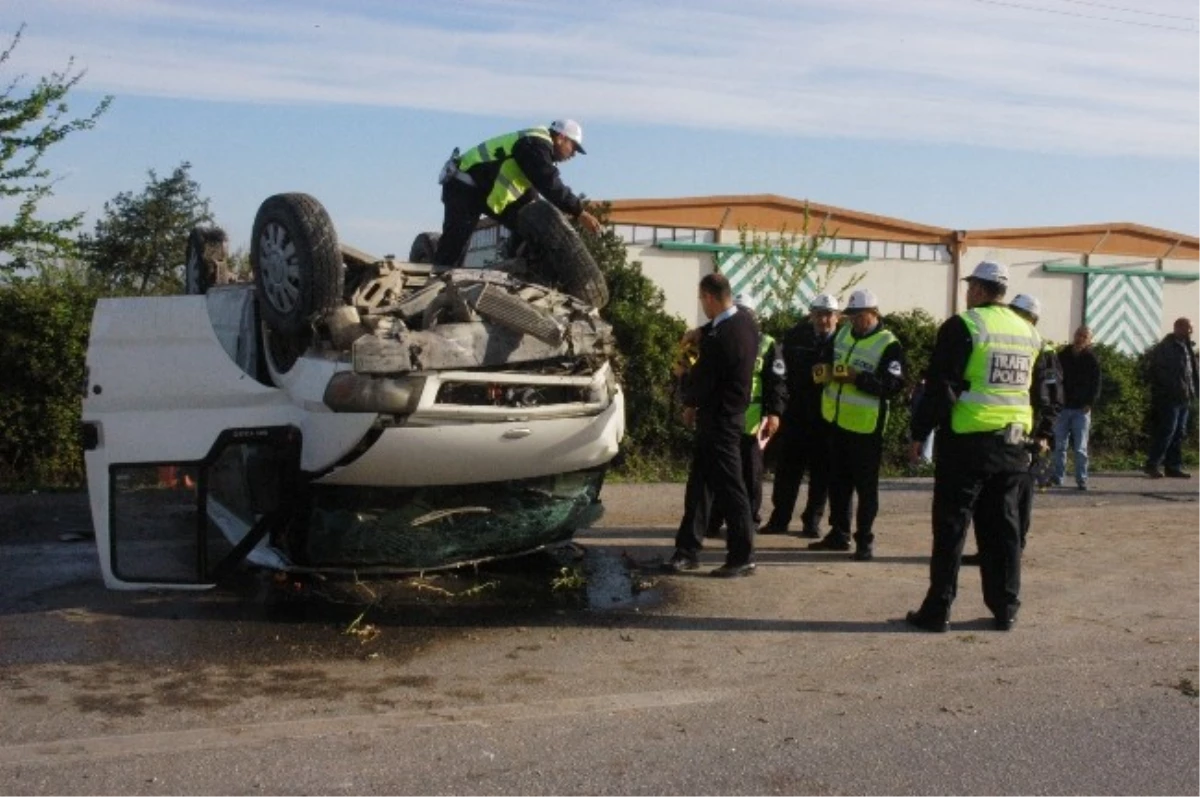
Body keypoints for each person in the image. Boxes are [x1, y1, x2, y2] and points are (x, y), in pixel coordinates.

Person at [905, 262, 1058, 632]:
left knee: (951, 527)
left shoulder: (966, 325)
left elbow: (942, 387)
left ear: (977, 289)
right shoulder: (1030, 333)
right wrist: (1043, 433)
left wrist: (919, 432)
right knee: (1003, 528)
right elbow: (1045, 391)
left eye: (970, 286)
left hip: (967, 443)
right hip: (1013, 445)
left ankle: (937, 611)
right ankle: (1005, 607)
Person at [663, 273, 761, 577]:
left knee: (731, 489)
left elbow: (702, 381)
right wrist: (699, 332)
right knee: (700, 487)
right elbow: (718, 328)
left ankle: (742, 556)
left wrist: (684, 384)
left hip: (720, 419)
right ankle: (687, 550)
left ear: (708, 297)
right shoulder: (744, 322)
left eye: (701, 300)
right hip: (723, 418)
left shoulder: (723, 340)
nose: (702, 307)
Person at [962, 292, 1062, 565]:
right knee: (992, 500)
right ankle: (989, 551)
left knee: (1019, 499)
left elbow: (1051, 399)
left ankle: (1012, 552)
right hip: (1001, 433)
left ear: (1033, 319)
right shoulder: (1007, 341)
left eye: (1020, 314)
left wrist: (1043, 434)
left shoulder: (1043, 349)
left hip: (1027, 434)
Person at [807, 289, 905, 562]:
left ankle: (865, 541)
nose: (852, 321)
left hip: (866, 429)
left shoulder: (889, 344)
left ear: (873, 314)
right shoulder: (843, 333)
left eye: (858, 316)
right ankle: (839, 534)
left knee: (865, 489)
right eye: (849, 316)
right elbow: (827, 358)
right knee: (838, 484)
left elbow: (893, 386)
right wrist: (823, 370)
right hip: (836, 422)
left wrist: (858, 378)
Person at [433, 119, 602, 267]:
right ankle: (434, 287)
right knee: (454, 247)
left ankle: (516, 267)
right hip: (464, 186)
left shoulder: (539, 152)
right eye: (573, 147)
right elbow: (549, 183)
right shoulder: (535, 145)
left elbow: (531, 198)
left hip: (486, 191)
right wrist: (580, 212)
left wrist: (554, 218)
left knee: (531, 224)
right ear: (561, 138)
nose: (573, 154)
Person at [702, 294, 786, 537]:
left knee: (750, 474)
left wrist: (774, 413)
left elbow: (777, 383)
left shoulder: (768, 344)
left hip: (754, 421)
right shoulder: (722, 338)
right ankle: (715, 521)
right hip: (726, 418)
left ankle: (750, 520)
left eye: (747, 313)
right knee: (721, 473)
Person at [760, 293, 840, 538]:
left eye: (828, 314)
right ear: (811, 314)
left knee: (821, 474)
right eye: (818, 313)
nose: (823, 319)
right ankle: (779, 519)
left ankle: (811, 523)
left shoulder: (843, 341)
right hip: (795, 415)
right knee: (787, 472)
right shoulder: (796, 336)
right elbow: (780, 374)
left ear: (837, 317)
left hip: (826, 418)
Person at [1144, 318, 1200, 479]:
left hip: (1185, 396)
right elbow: (1157, 371)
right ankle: (1153, 464)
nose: (1190, 331)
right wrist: (1167, 389)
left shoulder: (1187, 346)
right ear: (1177, 327)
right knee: (1166, 430)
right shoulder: (1165, 347)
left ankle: (1173, 466)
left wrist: (1194, 390)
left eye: (1191, 329)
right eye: (1188, 328)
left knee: (1179, 432)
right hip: (1169, 397)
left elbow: (1191, 372)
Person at [1050, 325, 1102, 490]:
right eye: (1079, 334)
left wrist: (1090, 402)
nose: (1081, 338)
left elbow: (1096, 383)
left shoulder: (1092, 359)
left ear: (1090, 340)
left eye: (1085, 336)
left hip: (1081, 408)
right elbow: (1055, 378)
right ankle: (1058, 477)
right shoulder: (1063, 355)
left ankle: (1082, 478)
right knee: (1059, 445)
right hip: (1063, 406)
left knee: (1080, 447)